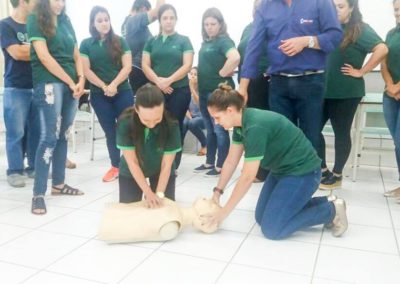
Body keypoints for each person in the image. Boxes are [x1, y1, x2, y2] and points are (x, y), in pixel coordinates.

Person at [200, 85, 348, 240]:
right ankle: (325, 201)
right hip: (281, 171)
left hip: (304, 172)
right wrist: (217, 192)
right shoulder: (240, 124)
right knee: (261, 217)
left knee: (272, 229)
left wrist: (224, 213)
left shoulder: (255, 126)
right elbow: (231, 161)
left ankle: (331, 210)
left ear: (230, 110)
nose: (216, 123)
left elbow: (247, 177)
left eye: (217, 117)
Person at [239, 0, 343, 152]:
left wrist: (307, 41)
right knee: (280, 137)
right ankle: (285, 175)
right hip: (278, 83)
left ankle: (309, 175)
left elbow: (335, 36)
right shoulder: (266, 6)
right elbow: (253, 46)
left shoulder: (320, 3)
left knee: (310, 138)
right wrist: (242, 88)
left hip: (310, 81)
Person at [318, 0, 388, 190]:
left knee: (341, 133)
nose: (336, 10)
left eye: (340, 6)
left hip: (346, 92)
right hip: (322, 90)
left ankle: (337, 175)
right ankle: (323, 171)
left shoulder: (360, 29)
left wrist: (362, 71)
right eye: (333, 6)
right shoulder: (326, 27)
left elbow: (382, 48)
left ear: (351, 8)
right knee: (312, 130)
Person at [27, 0, 85, 215]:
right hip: (49, 82)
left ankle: (59, 184)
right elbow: (44, 57)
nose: (59, 4)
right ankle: (38, 193)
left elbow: (76, 54)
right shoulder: (35, 19)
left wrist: (81, 79)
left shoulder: (66, 20)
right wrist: (70, 82)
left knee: (64, 134)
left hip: (72, 84)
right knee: (49, 137)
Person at [80, 6, 134, 182]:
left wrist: (114, 85)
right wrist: (104, 86)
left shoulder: (120, 41)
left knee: (126, 128)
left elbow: (127, 67)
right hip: (99, 94)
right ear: (93, 24)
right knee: (111, 131)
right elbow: (86, 70)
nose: (104, 23)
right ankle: (115, 166)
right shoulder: (86, 44)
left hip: (122, 91)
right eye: (99, 20)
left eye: (106, 19)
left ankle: (131, 165)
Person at [142, 4, 194, 169]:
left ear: (176, 20)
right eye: (165, 18)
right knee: (155, 124)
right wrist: (159, 82)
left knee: (174, 125)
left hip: (179, 90)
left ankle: (173, 164)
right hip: (156, 92)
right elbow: (145, 65)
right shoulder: (151, 41)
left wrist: (168, 80)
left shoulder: (184, 40)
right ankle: (155, 160)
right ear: (160, 20)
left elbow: (187, 65)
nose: (168, 21)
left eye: (172, 17)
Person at [116, 83, 181, 208]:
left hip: (160, 169)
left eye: (157, 119)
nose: (151, 124)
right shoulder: (125, 122)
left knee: (163, 210)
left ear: (163, 109)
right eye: (146, 120)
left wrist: (159, 193)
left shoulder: (171, 124)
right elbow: (132, 162)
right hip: (132, 170)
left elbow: (167, 165)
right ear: (136, 109)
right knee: (129, 213)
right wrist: (148, 192)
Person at [194, 7, 240, 177]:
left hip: (218, 93)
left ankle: (221, 165)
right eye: (206, 24)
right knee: (209, 127)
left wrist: (222, 73)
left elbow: (235, 57)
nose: (209, 27)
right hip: (205, 92)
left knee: (220, 129)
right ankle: (209, 161)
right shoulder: (206, 42)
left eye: (213, 23)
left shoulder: (224, 41)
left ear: (220, 24)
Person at [0, 0, 39, 188]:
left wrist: (30, 50)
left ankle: (33, 167)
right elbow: (16, 53)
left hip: (38, 85)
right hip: (15, 87)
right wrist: (41, 49)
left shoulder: (36, 25)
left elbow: (29, 51)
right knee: (16, 132)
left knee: (35, 131)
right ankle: (15, 170)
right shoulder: (5, 25)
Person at [237, 0, 269, 182]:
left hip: (265, 84)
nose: (257, 10)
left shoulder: (273, 26)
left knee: (260, 127)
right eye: (255, 7)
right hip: (246, 83)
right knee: (249, 126)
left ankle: (263, 171)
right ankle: (253, 167)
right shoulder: (248, 28)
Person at [98, 197, 220, 244]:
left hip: (112, 224)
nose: (208, 199)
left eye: (212, 205)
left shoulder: (172, 226)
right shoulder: (174, 208)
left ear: (202, 220)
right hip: (115, 215)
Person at [123, 0, 165, 92]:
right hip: (140, 71)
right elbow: (159, 11)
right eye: (148, 11)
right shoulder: (134, 20)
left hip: (138, 70)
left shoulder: (131, 24)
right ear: (143, 8)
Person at [382, 0, 400, 200]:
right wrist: (390, 85)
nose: (398, 12)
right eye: (396, 9)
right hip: (390, 95)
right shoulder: (391, 34)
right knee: (398, 142)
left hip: (396, 90)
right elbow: (384, 62)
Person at [183, 67, 207, 156]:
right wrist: (188, 115)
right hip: (190, 115)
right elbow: (183, 105)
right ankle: (178, 148)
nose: (193, 76)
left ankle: (205, 144)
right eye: (191, 74)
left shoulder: (203, 89)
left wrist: (192, 89)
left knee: (192, 123)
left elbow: (202, 106)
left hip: (203, 116)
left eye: (195, 74)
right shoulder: (185, 88)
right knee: (184, 123)